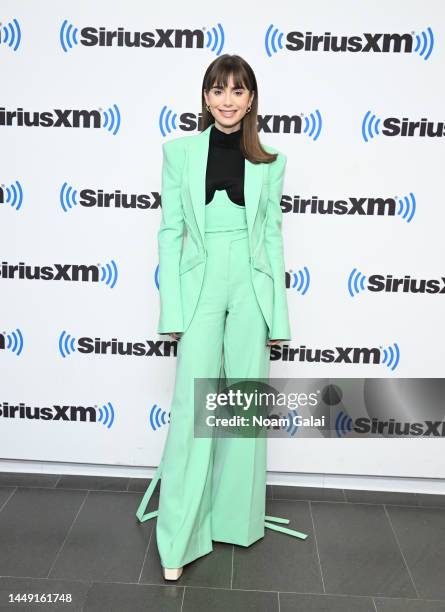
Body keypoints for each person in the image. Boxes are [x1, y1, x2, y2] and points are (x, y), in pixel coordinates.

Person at [136, 54, 308, 581]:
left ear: (251, 98)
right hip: (202, 280)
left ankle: (234, 522)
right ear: (205, 96)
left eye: (237, 91)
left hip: (252, 285)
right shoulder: (179, 152)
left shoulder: (271, 159)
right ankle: (179, 539)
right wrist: (173, 308)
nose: (227, 100)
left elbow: (274, 236)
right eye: (217, 90)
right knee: (194, 406)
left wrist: (279, 317)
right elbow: (169, 233)